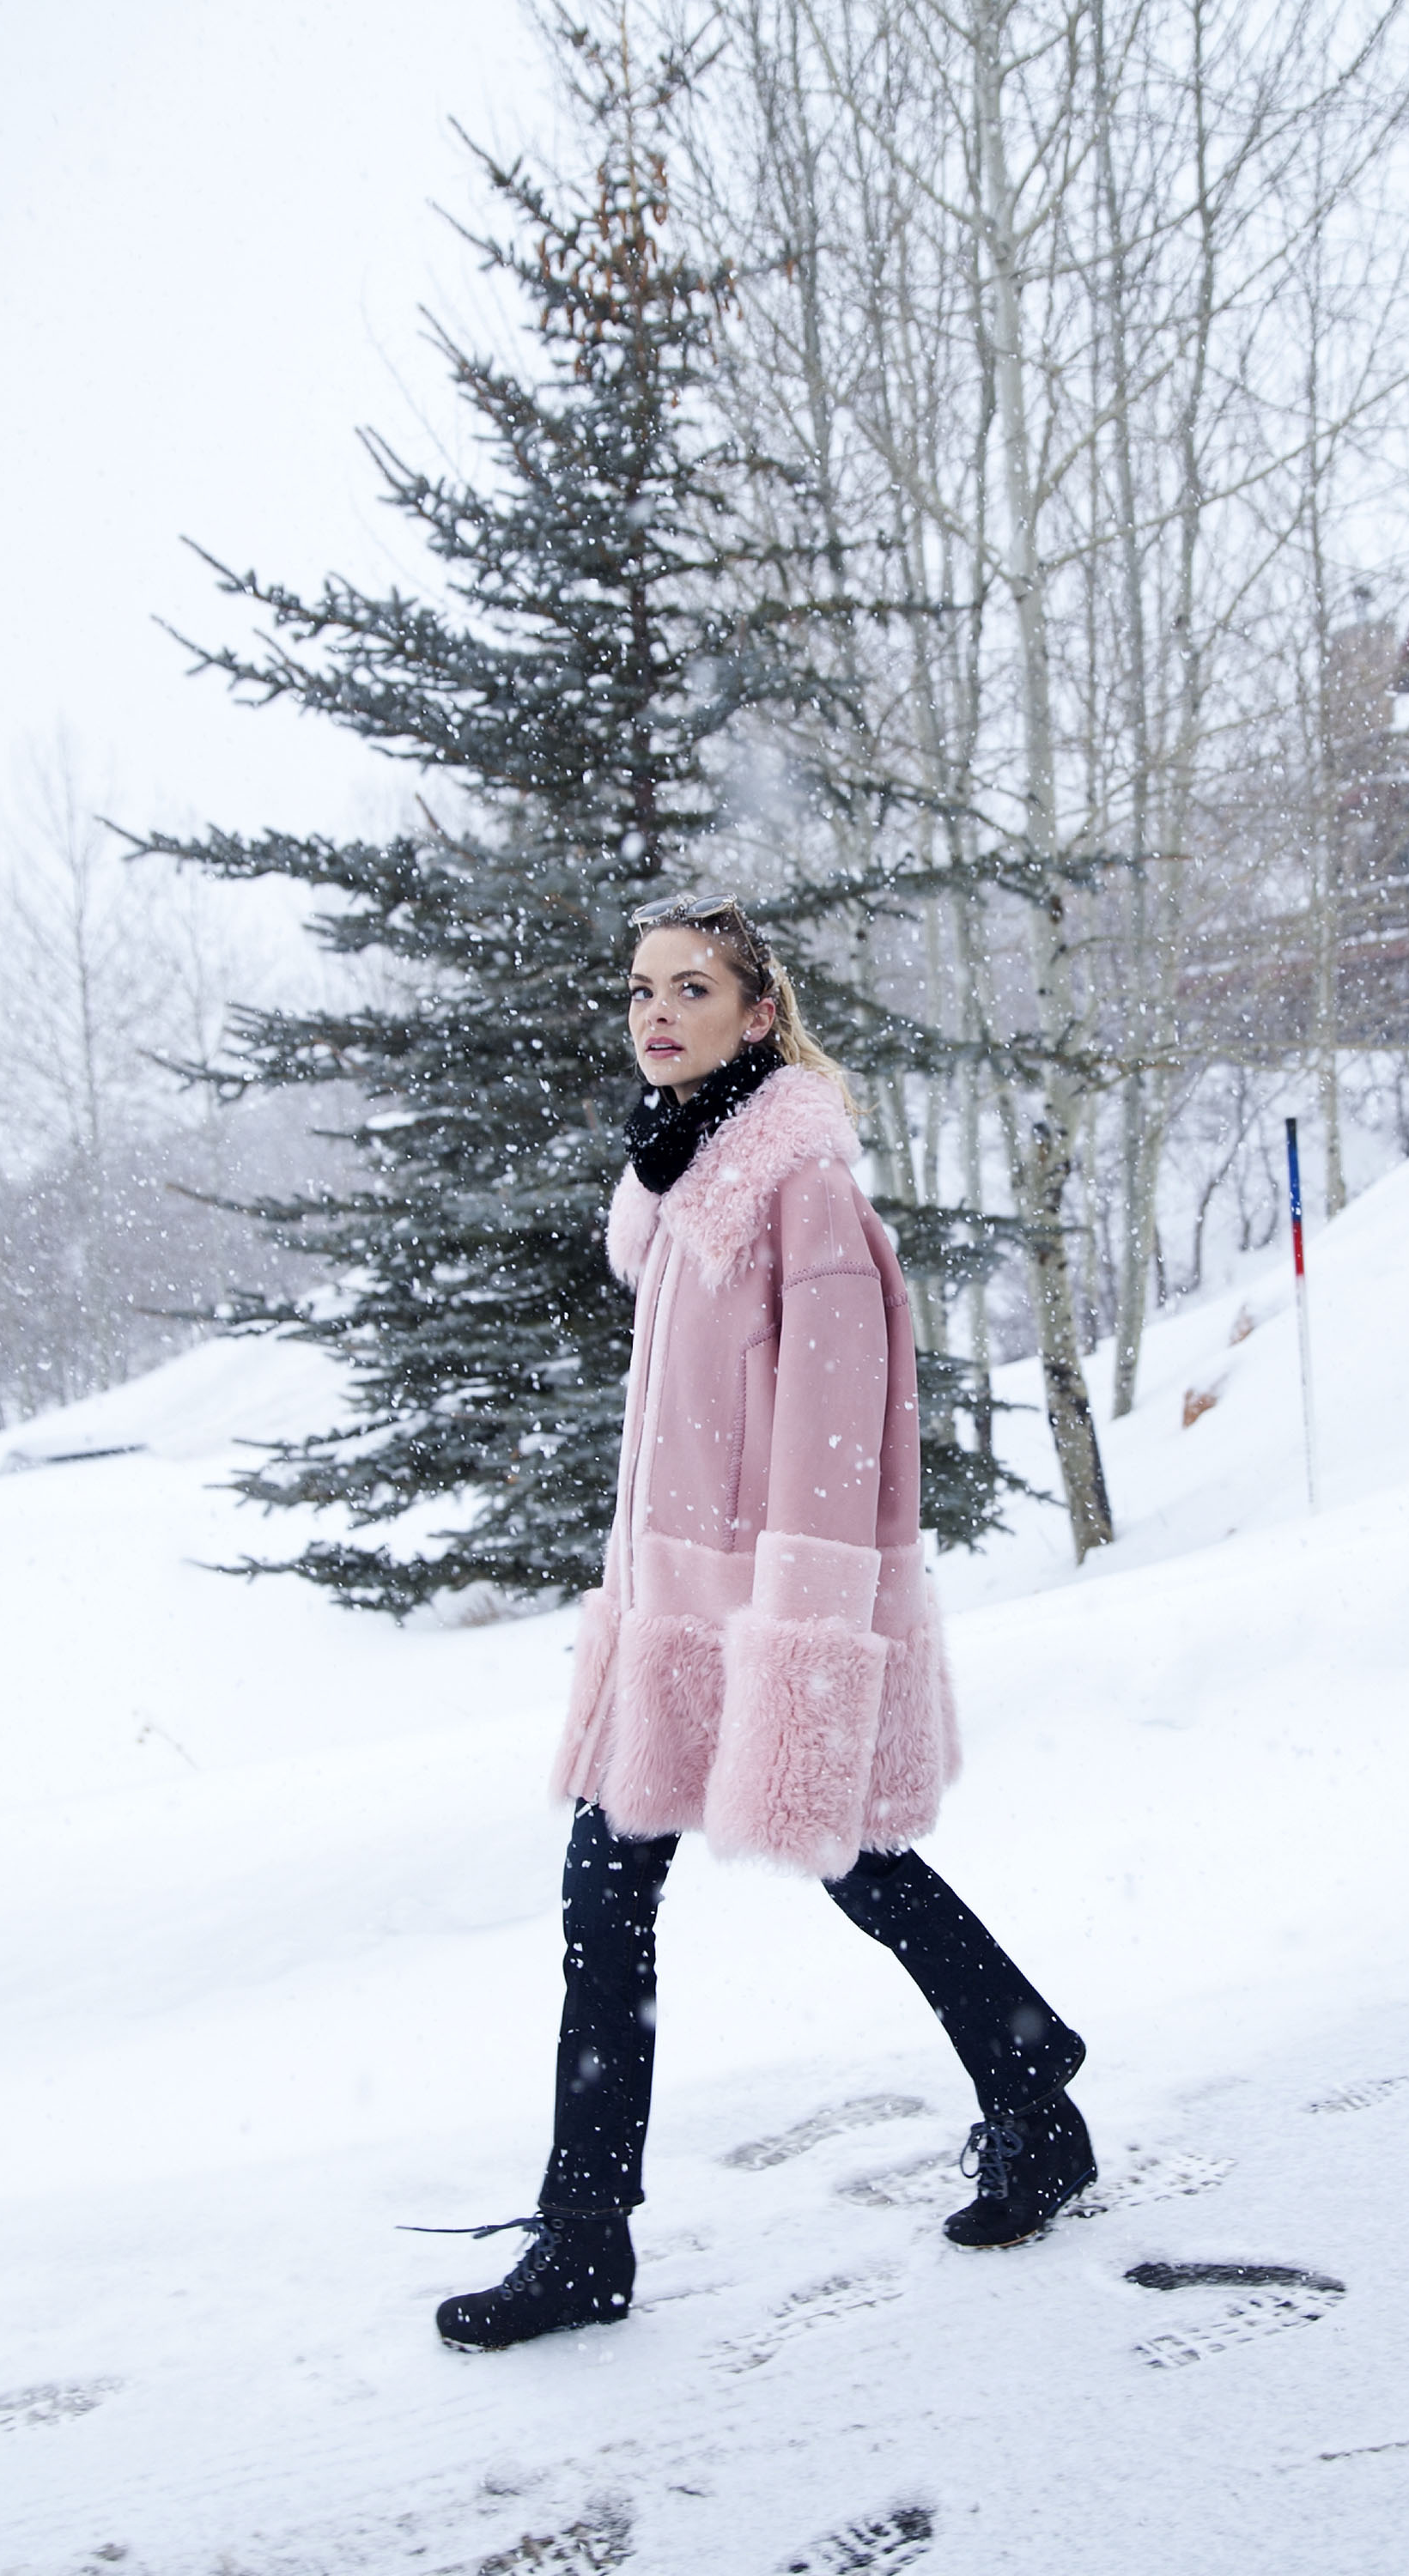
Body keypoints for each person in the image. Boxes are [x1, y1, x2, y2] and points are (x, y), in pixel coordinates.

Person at [431, 895, 1095, 2352]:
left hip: (760, 1618)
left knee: (856, 1865)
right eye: (640, 989)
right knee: (612, 1907)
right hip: (664, 1615)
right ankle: (588, 2236)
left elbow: (835, 1434)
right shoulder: (677, 1179)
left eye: (692, 988)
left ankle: (1029, 2091)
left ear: (758, 1013)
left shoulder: (800, 1191)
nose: (657, 1014)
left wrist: (802, 1645)